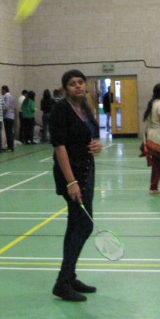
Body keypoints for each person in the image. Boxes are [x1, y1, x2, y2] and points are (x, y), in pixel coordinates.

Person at [50, 69, 102, 302]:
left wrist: (97, 146)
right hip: (72, 175)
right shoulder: (60, 109)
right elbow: (60, 147)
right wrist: (71, 182)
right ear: (65, 89)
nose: (78, 86)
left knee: (80, 225)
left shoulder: (85, 108)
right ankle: (63, 282)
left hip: (87, 170)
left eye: (81, 82)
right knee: (81, 225)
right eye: (72, 84)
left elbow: (90, 137)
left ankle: (69, 277)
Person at [2, 85, 16, 151]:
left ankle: (10, 147)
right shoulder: (12, 96)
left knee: (8, 132)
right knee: (10, 132)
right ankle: (11, 146)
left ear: (4, 90)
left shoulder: (6, 96)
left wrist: (1, 110)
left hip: (7, 116)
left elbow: (6, 106)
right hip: (12, 116)